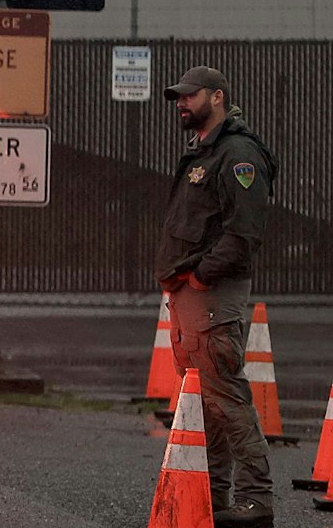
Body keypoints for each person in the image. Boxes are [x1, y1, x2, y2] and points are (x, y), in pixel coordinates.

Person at [155, 66, 275, 527]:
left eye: (190, 96)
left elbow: (244, 231)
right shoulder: (204, 151)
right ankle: (215, 496)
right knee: (204, 403)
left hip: (210, 298)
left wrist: (202, 277)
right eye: (179, 98)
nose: (182, 104)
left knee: (227, 397)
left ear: (218, 97)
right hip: (189, 299)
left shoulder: (238, 154)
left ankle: (256, 500)